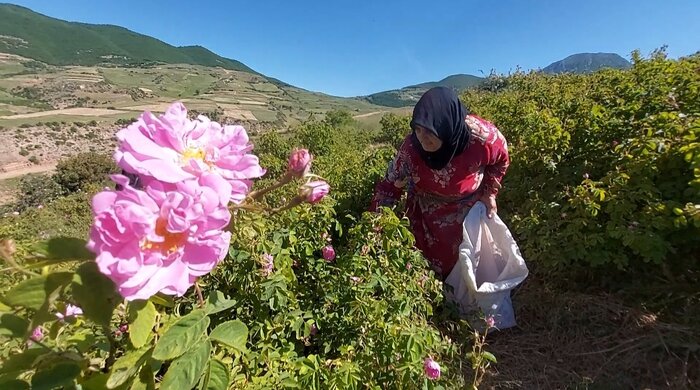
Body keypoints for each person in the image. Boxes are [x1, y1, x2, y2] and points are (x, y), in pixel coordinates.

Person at [369, 86, 510, 279]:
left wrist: (489, 193)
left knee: (466, 265)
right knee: (425, 267)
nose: (422, 138)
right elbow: (388, 187)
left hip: (466, 212)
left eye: (430, 131)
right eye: (417, 129)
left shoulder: (481, 140)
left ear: (445, 125)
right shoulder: (412, 149)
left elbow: (501, 160)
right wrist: (374, 227)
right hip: (425, 215)